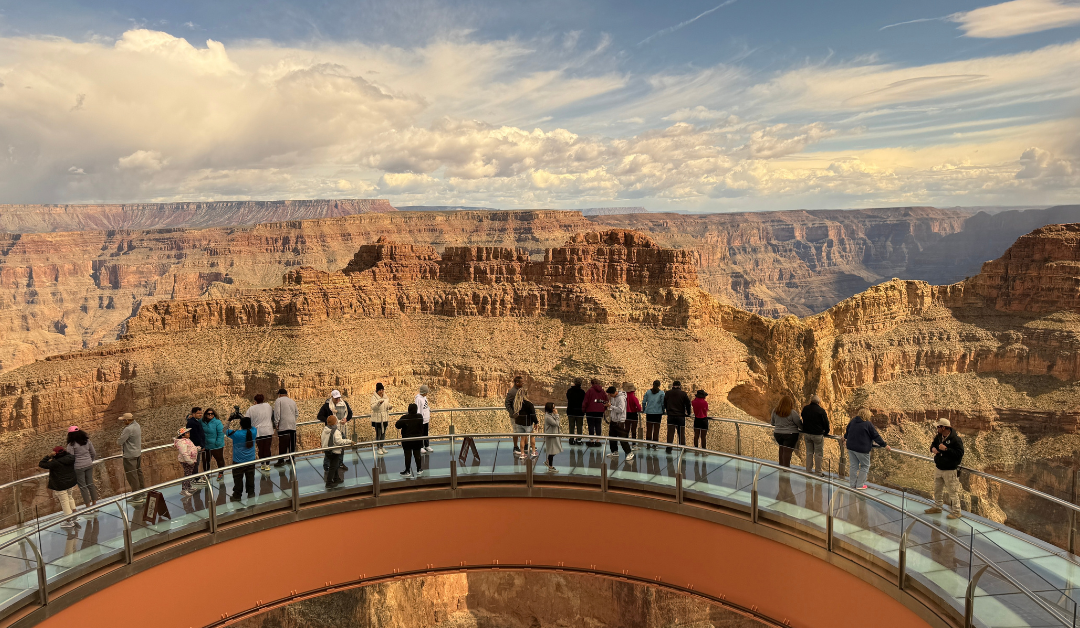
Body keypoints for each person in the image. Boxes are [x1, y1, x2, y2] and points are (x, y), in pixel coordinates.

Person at [925, 419, 964, 520]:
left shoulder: (956, 439)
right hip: (939, 468)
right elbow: (933, 444)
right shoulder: (939, 437)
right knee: (937, 489)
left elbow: (959, 454)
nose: (937, 428)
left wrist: (946, 450)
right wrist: (932, 449)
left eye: (938, 427)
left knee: (952, 491)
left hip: (950, 470)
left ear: (944, 428)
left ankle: (956, 511)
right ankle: (938, 507)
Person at [843, 408, 890, 489]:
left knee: (854, 466)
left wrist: (845, 438)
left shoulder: (853, 421)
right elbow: (876, 436)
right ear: (867, 415)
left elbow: (848, 431)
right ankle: (860, 485)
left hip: (851, 447)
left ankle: (852, 485)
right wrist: (884, 445)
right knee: (865, 466)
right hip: (862, 449)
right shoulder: (868, 424)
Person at [40, 446, 78, 528]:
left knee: (64, 502)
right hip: (70, 482)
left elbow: (41, 464)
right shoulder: (71, 458)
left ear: (55, 454)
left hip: (60, 485)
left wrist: (48, 456)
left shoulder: (55, 463)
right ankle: (74, 513)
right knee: (70, 497)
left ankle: (68, 521)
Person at [317, 390, 353, 470]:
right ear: (332, 397)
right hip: (331, 431)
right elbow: (319, 416)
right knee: (329, 448)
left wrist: (346, 419)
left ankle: (340, 463)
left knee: (341, 447)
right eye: (336, 398)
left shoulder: (344, 404)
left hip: (341, 429)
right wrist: (330, 420)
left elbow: (350, 413)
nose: (338, 400)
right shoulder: (327, 406)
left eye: (339, 398)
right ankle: (327, 465)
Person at [65, 426, 99, 509]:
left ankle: (88, 506)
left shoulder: (71, 445)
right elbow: (93, 453)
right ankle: (95, 504)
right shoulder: (87, 441)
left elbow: (70, 458)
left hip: (78, 467)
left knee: (83, 487)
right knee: (90, 484)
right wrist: (90, 461)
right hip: (89, 464)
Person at [225, 416, 258, 501]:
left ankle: (237, 495)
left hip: (238, 461)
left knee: (238, 479)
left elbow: (224, 430)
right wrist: (243, 417)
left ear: (241, 424)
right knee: (250, 477)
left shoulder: (236, 434)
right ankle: (251, 493)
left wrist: (229, 420)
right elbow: (251, 426)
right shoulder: (254, 431)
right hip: (251, 460)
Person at [117, 412, 145, 502]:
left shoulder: (128, 429)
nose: (123, 422)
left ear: (128, 420)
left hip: (129, 456)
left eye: (124, 420)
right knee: (138, 473)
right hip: (137, 453)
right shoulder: (137, 425)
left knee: (132, 476)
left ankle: (137, 497)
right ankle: (143, 493)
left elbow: (120, 441)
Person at [800, 395, 830, 477]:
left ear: (811, 401)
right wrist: (826, 432)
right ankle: (818, 472)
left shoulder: (805, 408)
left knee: (809, 453)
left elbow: (802, 416)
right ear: (818, 402)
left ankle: (808, 471)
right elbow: (826, 423)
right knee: (818, 454)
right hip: (817, 435)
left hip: (807, 434)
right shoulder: (821, 411)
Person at [244, 394, 275, 473]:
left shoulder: (251, 409)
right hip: (268, 430)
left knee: (260, 448)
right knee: (267, 448)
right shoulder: (268, 406)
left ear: (255, 401)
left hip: (257, 432)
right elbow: (272, 415)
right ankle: (267, 465)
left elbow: (246, 419)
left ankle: (262, 464)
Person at [321, 414, 352, 489]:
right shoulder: (336, 431)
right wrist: (349, 441)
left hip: (327, 451)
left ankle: (336, 478)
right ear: (335, 422)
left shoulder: (325, 430)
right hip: (334, 451)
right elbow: (339, 442)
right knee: (333, 466)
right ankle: (329, 483)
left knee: (333, 464)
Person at [771, 396, 803, 468]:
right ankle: (786, 468)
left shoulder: (775, 411)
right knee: (787, 451)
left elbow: (772, 423)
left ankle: (781, 466)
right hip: (790, 435)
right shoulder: (792, 412)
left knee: (781, 448)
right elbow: (799, 423)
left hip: (778, 434)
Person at [395, 403, 425, 478]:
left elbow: (397, 425)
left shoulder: (405, 418)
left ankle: (407, 470)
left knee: (408, 455)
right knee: (417, 454)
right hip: (417, 439)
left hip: (407, 440)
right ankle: (419, 469)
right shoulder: (420, 417)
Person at [664, 381, 692, 454]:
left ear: (673, 386)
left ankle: (669, 448)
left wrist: (668, 410)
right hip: (680, 416)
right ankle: (682, 448)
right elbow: (688, 404)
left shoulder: (668, 393)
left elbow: (664, 403)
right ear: (680, 386)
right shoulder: (683, 394)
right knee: (681, 433)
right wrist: (688, 413)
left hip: (671, 415)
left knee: (670, 432)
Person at [606, 386, 633, 460]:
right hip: (613, 420)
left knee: (622, 438)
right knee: (612, 438)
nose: (609, 396)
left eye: (610, 394)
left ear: (614, 393)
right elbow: (613, 407)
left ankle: (629, 452)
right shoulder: (613, 397)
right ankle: (614, 451)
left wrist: (611, 406)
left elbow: (621, 410)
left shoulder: (621, 398)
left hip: (620, 421)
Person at [173, 426, 201, 497]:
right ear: (183, 435)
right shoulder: (182, 442)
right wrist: (189, 460)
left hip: (189, 460)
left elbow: (190, 448)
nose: (189, 433)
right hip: (186, 461)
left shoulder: (187, 440)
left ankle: (188, 487)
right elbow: (184, 453)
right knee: (187, 474)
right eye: (187, 432)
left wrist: (196, 449)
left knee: (189, 473)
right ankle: (184, 489)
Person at [274, 389, 299, 465]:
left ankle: (281, 460)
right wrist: (292, 420)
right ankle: (291, 459)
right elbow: (297, 413)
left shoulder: (279, 400)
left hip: (283, 425)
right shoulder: (292, 401)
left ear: (280, 394)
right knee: (292, 443)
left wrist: (276, 423)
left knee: (282, 443)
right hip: (292, 425)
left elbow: (277, 413)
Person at [201, 408, 226, 480]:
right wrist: (189, 417)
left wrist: (217, 443)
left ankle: (221, 473)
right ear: (205, 414)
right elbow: (194, 421)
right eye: (208, 414)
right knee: (206, 461)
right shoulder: (202, 422)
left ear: (214, 415)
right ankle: (206, 474)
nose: (210, 415)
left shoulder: (217, 422)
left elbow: (221, 433)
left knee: (219, 459)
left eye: (211, 414)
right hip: (206, 446)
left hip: (216, 446)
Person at [185, 407, 207, 487]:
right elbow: (195, 436)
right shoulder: (192, 423)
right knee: (195, 462)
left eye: (201, 413)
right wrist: (201, 445)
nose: (200, 415)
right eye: (198, 413)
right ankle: (195, 479)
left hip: (195, 446)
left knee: (196, 462)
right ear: (193, 414)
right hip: (195, 446)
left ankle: (195, 477)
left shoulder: (193, 421)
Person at [583, 379, 608, 447]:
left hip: (590, 411)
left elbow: (586, 401)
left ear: (592, 384)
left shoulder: (590, 391)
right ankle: (598, 441)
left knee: (591, 425)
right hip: (600, 412)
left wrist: (584, 410)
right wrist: (603, 409)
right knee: (598, 425)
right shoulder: (602, 391)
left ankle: (591, 441)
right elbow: (606, 401)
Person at [514, 392, 539, 458]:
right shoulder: (529, 404)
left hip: (518, 422)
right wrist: (536, 422)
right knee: (532, 436)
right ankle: (533, 452)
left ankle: (522, 453)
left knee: (522, 438)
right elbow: (533, 414)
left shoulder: (517, 404)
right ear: (526, 395)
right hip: (527, 423)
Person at [370, 383, 392, 455]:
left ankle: (382, 447)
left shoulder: (385, 397)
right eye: (380, 390)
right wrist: (378, 403)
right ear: (377, 390)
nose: (381, 391)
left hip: (385, 417)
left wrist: (389, 407)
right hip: (378, 418)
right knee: (378, 433)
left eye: (382, 389)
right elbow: (373, 407)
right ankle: (378, 448)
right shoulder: (374, 397)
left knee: (383, 433)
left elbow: (386, 405)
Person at [642, 381, 665, 449]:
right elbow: (663, 403)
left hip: (649, 412)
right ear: (659, 385)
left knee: (649, 429)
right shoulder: (661, 393)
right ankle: (655, 445)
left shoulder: (648, 392)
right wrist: (663, 410)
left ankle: (648, 444)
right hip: (658, 413)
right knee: (656, 429)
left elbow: (644, 402)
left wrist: (644, 409)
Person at [506, 376, 526, 453]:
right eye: (521, 382)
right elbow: (507, 403)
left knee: (523, 430)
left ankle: (524, 446)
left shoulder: (520, 390)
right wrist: (512, 413)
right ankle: (515, 447)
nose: (523, 383)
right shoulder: (512, 392)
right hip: (515, 416)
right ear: (517, 383)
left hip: (521, 415)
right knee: (516, 431)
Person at [542, 402, 563, 472]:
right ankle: (550, 466)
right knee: (552, 451)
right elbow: (556, 423)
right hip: (551, 436)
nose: (554, 409)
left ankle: (548, 462)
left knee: (554, 450)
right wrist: (557, 414)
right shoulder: (548, 417)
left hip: (553, 435)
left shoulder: (550, 415)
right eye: (553, 407)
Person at [566, 378, 586, 446]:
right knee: (579, 426)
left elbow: (568, 397)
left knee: (571, 426)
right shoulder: (582, 392)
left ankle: (571, 440)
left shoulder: (569, 391)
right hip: (580, 412)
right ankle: (579, 440)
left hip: (571, 411)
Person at [415, 385, 432, 454]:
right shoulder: (418, 399)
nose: (427, 393)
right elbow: (418, 409)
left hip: (426, 419)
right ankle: (420, 446)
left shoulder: (425, 397)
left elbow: (425, 406)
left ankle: (427, 445)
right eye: (426, 392)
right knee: (421, 433)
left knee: (425, 433)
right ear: (423, 392)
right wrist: (419, 418)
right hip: (421, 419)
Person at [625, 383, 642, 449]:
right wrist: (637, 409)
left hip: (626, 414)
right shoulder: (634, 398)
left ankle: (625, 443)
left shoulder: (625, 397)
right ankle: (634, 444)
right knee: (633, 430)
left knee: (626, 429)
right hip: (633, 414)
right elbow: (639, 408)